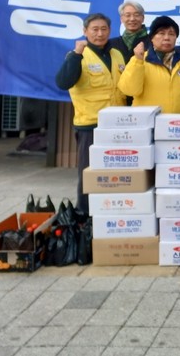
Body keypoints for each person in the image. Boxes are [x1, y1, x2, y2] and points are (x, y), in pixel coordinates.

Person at [55, 13, 126, 214]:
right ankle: (84, 216)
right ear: (85, 31)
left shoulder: (117, 54)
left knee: (113, 174)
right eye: (95, 29)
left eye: (104, 29)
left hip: (117, 125)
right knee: (89, 174)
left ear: (109, 31)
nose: (99, 34)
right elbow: (63, 82)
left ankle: (109, 212)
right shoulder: (77, 56)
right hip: (91, 125)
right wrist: (76, 54)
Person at [118, 16, 180, 114]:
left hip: (179, 122)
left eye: (171, 34)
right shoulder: (139, 60)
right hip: (148, 121)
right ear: (152, 38)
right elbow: (129, 90)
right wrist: (138, 61)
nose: (167, 38)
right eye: (161, 33)